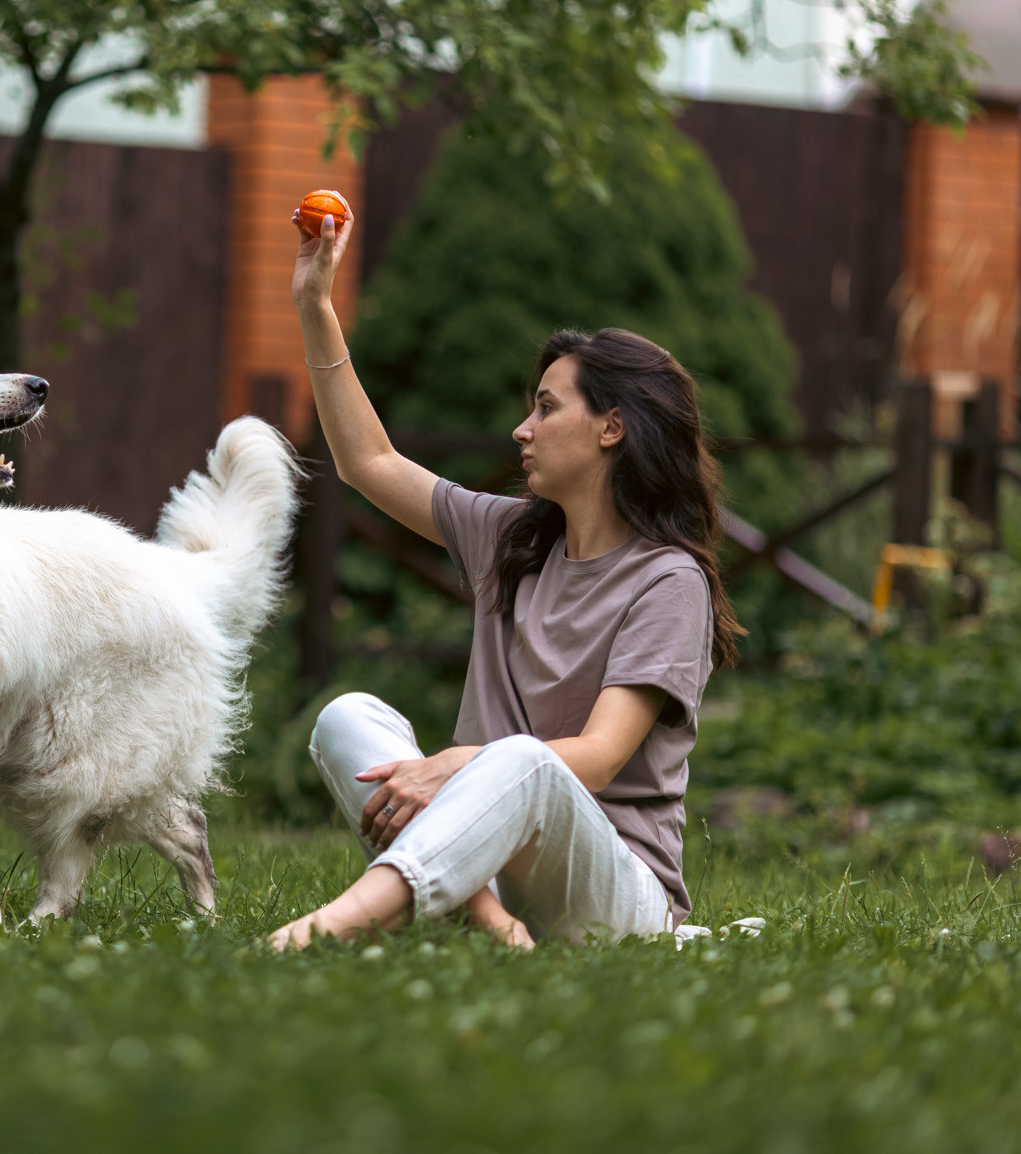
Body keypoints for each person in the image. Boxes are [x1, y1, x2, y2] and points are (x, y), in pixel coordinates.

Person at [269, 202, 742, 951]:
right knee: (346, 717)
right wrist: (315, 305)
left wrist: (458, 764)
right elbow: (370, 463)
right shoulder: (510, 538)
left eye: (547, 409)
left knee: (525, 754)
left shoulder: (667, 580)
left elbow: (595, 757)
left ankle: (330, 929)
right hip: (496, 863)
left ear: (612, 427)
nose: (523, 430)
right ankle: (489, 924)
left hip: (613, 898)